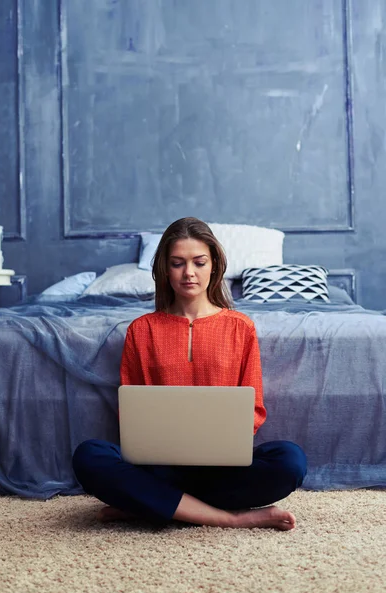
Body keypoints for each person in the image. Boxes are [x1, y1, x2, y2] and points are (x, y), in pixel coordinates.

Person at [73, 217, 307, 530]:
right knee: (89, 456)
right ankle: (227, 518)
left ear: (214, 266)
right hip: (159, 467)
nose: (189, 273)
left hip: (223, 469)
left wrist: (221, 442)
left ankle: (153, 504)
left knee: (290, 460)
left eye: (199, 262)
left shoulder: (241, 327)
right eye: (177, 263)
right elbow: (133, 411)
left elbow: (253, 408)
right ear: (164, 270)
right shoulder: (141, 330)